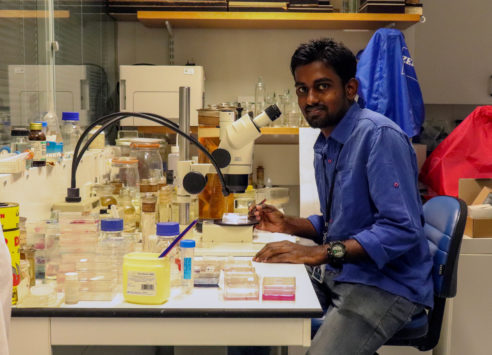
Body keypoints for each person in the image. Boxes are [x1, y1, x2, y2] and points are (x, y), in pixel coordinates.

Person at [251, 38, 434, 355]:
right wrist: (288, 225)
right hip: (342, 273)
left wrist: (317, 253)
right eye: (302, 89)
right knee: (251, 320)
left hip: (386, 284)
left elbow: (400, 229)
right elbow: (341, 221)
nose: (310, 99)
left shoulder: (379, 137)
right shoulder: (326, 142)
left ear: (350, 89)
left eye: (322, 87)